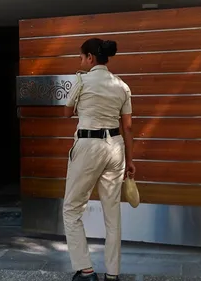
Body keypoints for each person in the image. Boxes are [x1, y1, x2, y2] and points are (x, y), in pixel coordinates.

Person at [63, 38, 135, 281]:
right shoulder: (122, 86)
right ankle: (113, 274)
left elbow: (66, 112)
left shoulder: (82, 80)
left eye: (81, 57)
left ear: (90, 58)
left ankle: (85, 270)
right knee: (112, 213)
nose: (80, 61)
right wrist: (130, 160)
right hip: (116, 147)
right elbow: (128, 128)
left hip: (88, 145)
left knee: (72, 208)